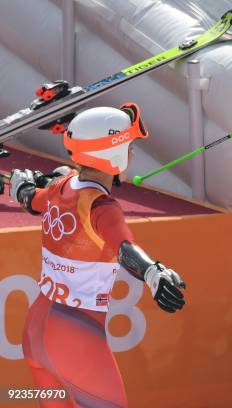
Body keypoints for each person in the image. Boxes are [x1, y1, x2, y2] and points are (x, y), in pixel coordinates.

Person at [10, 103, 186, 407]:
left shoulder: (61, 184)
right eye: (129, 146)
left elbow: (30, 199)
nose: (132, 154)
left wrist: (20, 186)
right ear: (113, 155)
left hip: (37, 327)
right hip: (74, 335)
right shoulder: (102, 207)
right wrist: (153, 273)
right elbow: (125, 248)